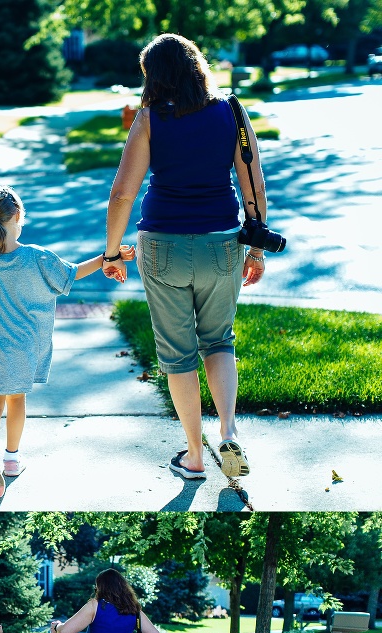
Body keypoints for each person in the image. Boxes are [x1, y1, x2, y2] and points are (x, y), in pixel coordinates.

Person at [103, 33, 269, 482]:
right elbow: (253, 180)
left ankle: (195, 456)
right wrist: (256, 245)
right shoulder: (230, 110)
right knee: (218, 339)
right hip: (221, 241)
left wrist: (112, 251)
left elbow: (122, 193)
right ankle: (229, 430)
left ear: (153, 77)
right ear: (197, 65)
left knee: (178, 355)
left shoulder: (150, 118)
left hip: (162, 245)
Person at [0, 185, 134, 498]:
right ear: (18, 216)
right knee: (16, 402)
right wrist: (106, 258)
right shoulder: (38, 258)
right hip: (24, 352)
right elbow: (73, 273)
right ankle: (12, 459)